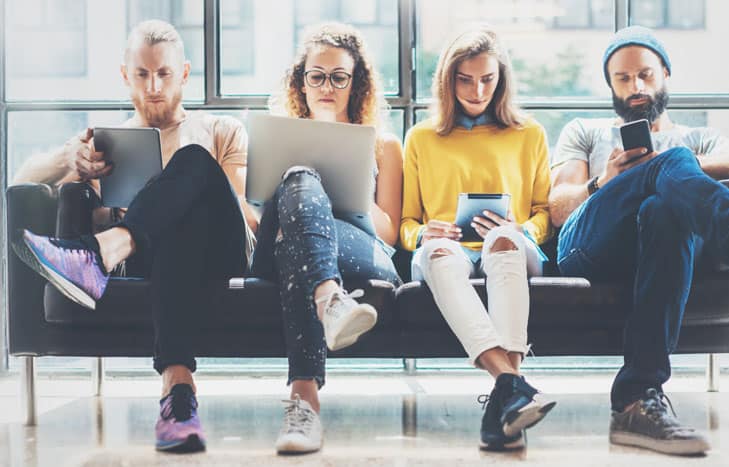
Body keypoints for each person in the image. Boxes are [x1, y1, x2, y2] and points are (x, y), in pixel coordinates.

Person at [548, 25, 729, 455]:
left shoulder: (696, 139)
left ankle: (637, 397)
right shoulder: (584, 132)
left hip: (659, 249)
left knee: (664, 206)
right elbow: (559, 206)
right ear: (610, 85)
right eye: (623, 79)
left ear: (665, 73)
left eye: (645, 74)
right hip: (587, 247)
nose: (636, 86)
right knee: (669, 170)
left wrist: (674, 166)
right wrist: (604, 181)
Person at [12, 20, 259, 453]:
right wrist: (70, 157)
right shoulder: (105, 146)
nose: (154, 86)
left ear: (183, 74)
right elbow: (22, 182)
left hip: (223, 253)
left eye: (164, 74)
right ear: (126, 75)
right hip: (156, 260)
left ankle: (99, 254)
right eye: (142, 74)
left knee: (194, 159)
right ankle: (177, 395)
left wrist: (189, 176)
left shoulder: (222, 130)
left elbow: (245, 218)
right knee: (172, 232)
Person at [400, 27, 555, 451]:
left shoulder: (530, 134)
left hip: (510, 245)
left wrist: (522, 230)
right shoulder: (422, 138)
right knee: (438, 252)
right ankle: (511, 388)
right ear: (448, 82)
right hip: (446, 247)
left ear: (501, 79)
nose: (477, 89)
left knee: (502, 243)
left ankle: (508, 387)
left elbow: (543, 211)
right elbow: (407, 223)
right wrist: (423, 233)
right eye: (465, 79)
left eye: (487, 79)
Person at [251, 23, 403, 454]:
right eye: (317, 75)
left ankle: (304, 403)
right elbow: (262, 222)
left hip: (362, 247)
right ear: (302, 80)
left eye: (339, 76)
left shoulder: (384, 145)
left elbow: (389, 230)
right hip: (282, 245)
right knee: (298, 177)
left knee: (298, 243)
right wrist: (305, 176)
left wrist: (347, 182)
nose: (327, 86)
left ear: (357, 83)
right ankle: (329, 299)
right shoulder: (281, 138)